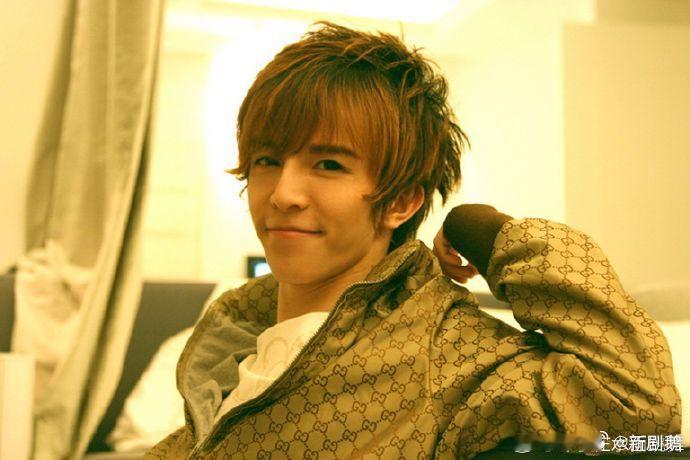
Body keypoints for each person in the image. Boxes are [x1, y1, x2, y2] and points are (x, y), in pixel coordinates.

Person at [144, 22, 681, 459]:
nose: (283, 194)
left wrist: (482, 228)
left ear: (400, 202)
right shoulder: (238, 331)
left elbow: (638, 411)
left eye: (328, 164)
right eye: (267, 160)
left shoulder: (441, 355)